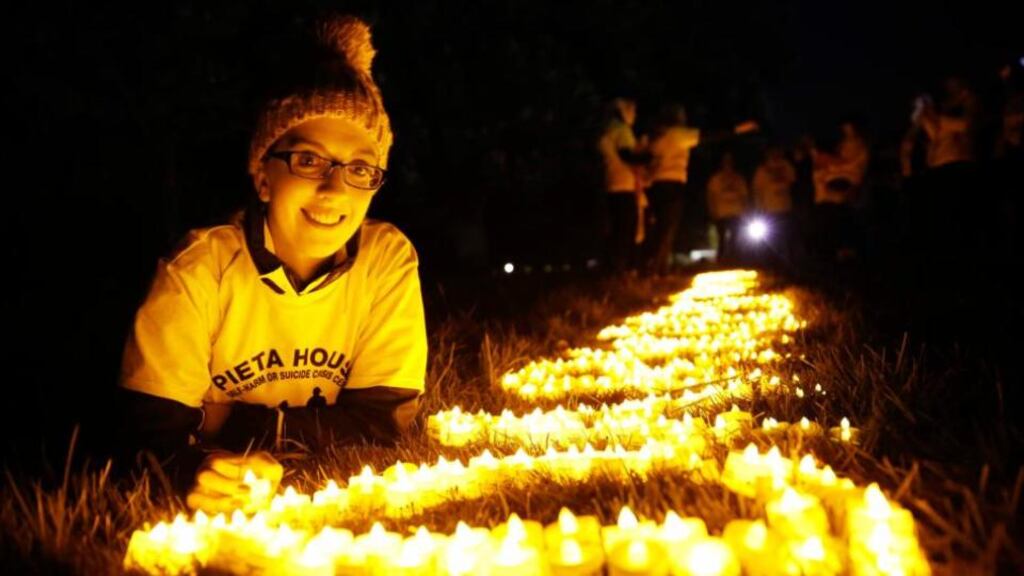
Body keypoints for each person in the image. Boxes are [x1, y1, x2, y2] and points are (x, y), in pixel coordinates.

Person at [117, 15, 428, 513]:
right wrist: (192, 471)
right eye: (309, 160)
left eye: (360, 169)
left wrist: (231, 424)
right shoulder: (199, 268)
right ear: (263, 177)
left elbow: (382, 422)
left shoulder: (385, 261)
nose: (335, 188)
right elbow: (148, 434)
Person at [597, 97, 646, 273]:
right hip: (623, 185)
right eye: (632, 110)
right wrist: (648, 158)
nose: (635, 115)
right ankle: (622, 270)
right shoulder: (621, 130)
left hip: (611, 184)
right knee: (626, 230)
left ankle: (614, 269)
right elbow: (627, 155)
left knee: (617, 230)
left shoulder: (606, 130)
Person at [751, 144, 797, 263]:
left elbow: (793, 181)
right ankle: (773, 263)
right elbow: (757, 191)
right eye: (772, 152)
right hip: (770, 209)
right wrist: (759, 209)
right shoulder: (761, 170)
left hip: (785, 207)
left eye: (777, 151)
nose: (775, 154)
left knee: (787, 237)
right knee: (773, 239)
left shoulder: (786, 166)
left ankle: (788, 262)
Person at [706, 151, 750, 264]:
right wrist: (712, 210)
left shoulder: (738, 178)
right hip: (721, 213)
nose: (728, 163)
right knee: (722, 239)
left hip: (736, 212)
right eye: (725, 160)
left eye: (730, 160)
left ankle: (734, 260)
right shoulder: (716, 179)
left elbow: (744, 196)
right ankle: (721, 261)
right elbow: (710, 196)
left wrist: (745, 210)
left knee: (734, 239)